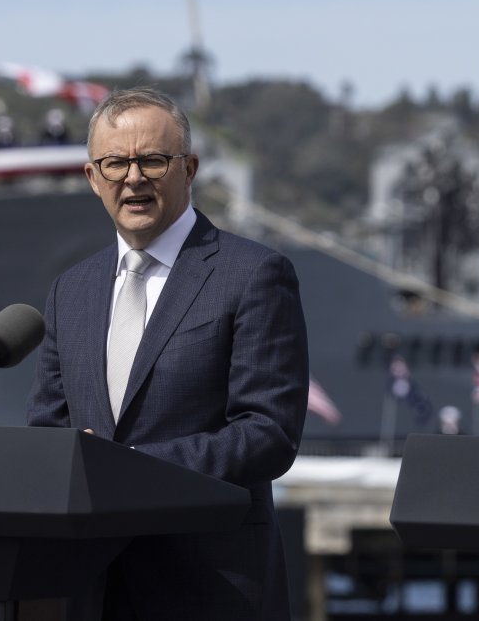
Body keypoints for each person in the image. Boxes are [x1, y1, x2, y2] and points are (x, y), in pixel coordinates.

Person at [26, 87, 309, 620]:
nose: (133, 178)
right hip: (88, 588)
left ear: (189, 168)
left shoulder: (253, 275)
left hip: (209, 589)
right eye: (115, 163)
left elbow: (268, 433)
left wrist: (128, 467)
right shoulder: (71, 291)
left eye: (152, 160)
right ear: (93, 178)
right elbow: (49, 429)